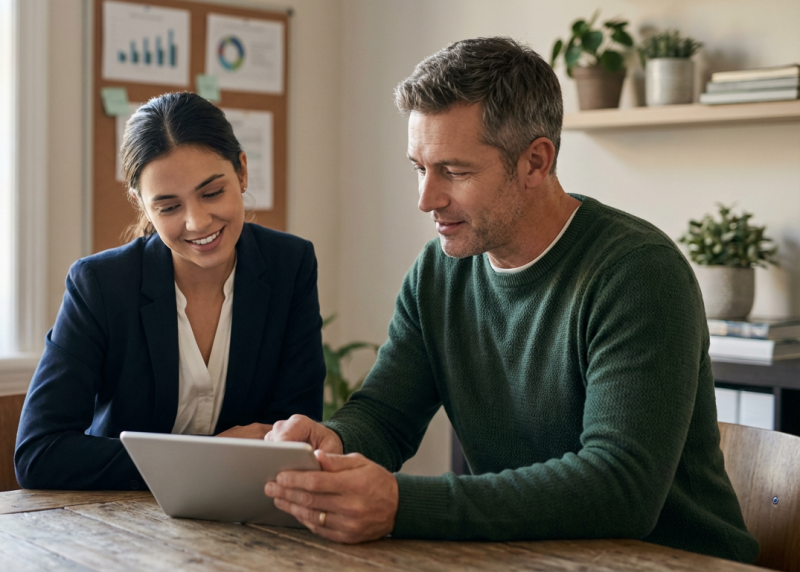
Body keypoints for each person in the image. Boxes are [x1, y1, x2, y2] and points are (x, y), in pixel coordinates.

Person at [263, 37, 759, 563]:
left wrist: (404, 502)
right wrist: (331, 443)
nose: (426, 199)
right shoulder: (439, 272)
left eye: (453, 171)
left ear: (534, 162)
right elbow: (386, 415)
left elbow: (620, 488)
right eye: (419, 167)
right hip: (530, 558)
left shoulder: (637, 273)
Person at [15, 91, 325, 491]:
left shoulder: (290, 265)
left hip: (244, 514)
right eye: (168, 207)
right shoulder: (100, 285)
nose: (197, 222)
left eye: (212, 193)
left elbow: (294, 433)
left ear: (242, 172)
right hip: (121, 523)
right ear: (142, 205)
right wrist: (207, 454)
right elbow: (39, 453)